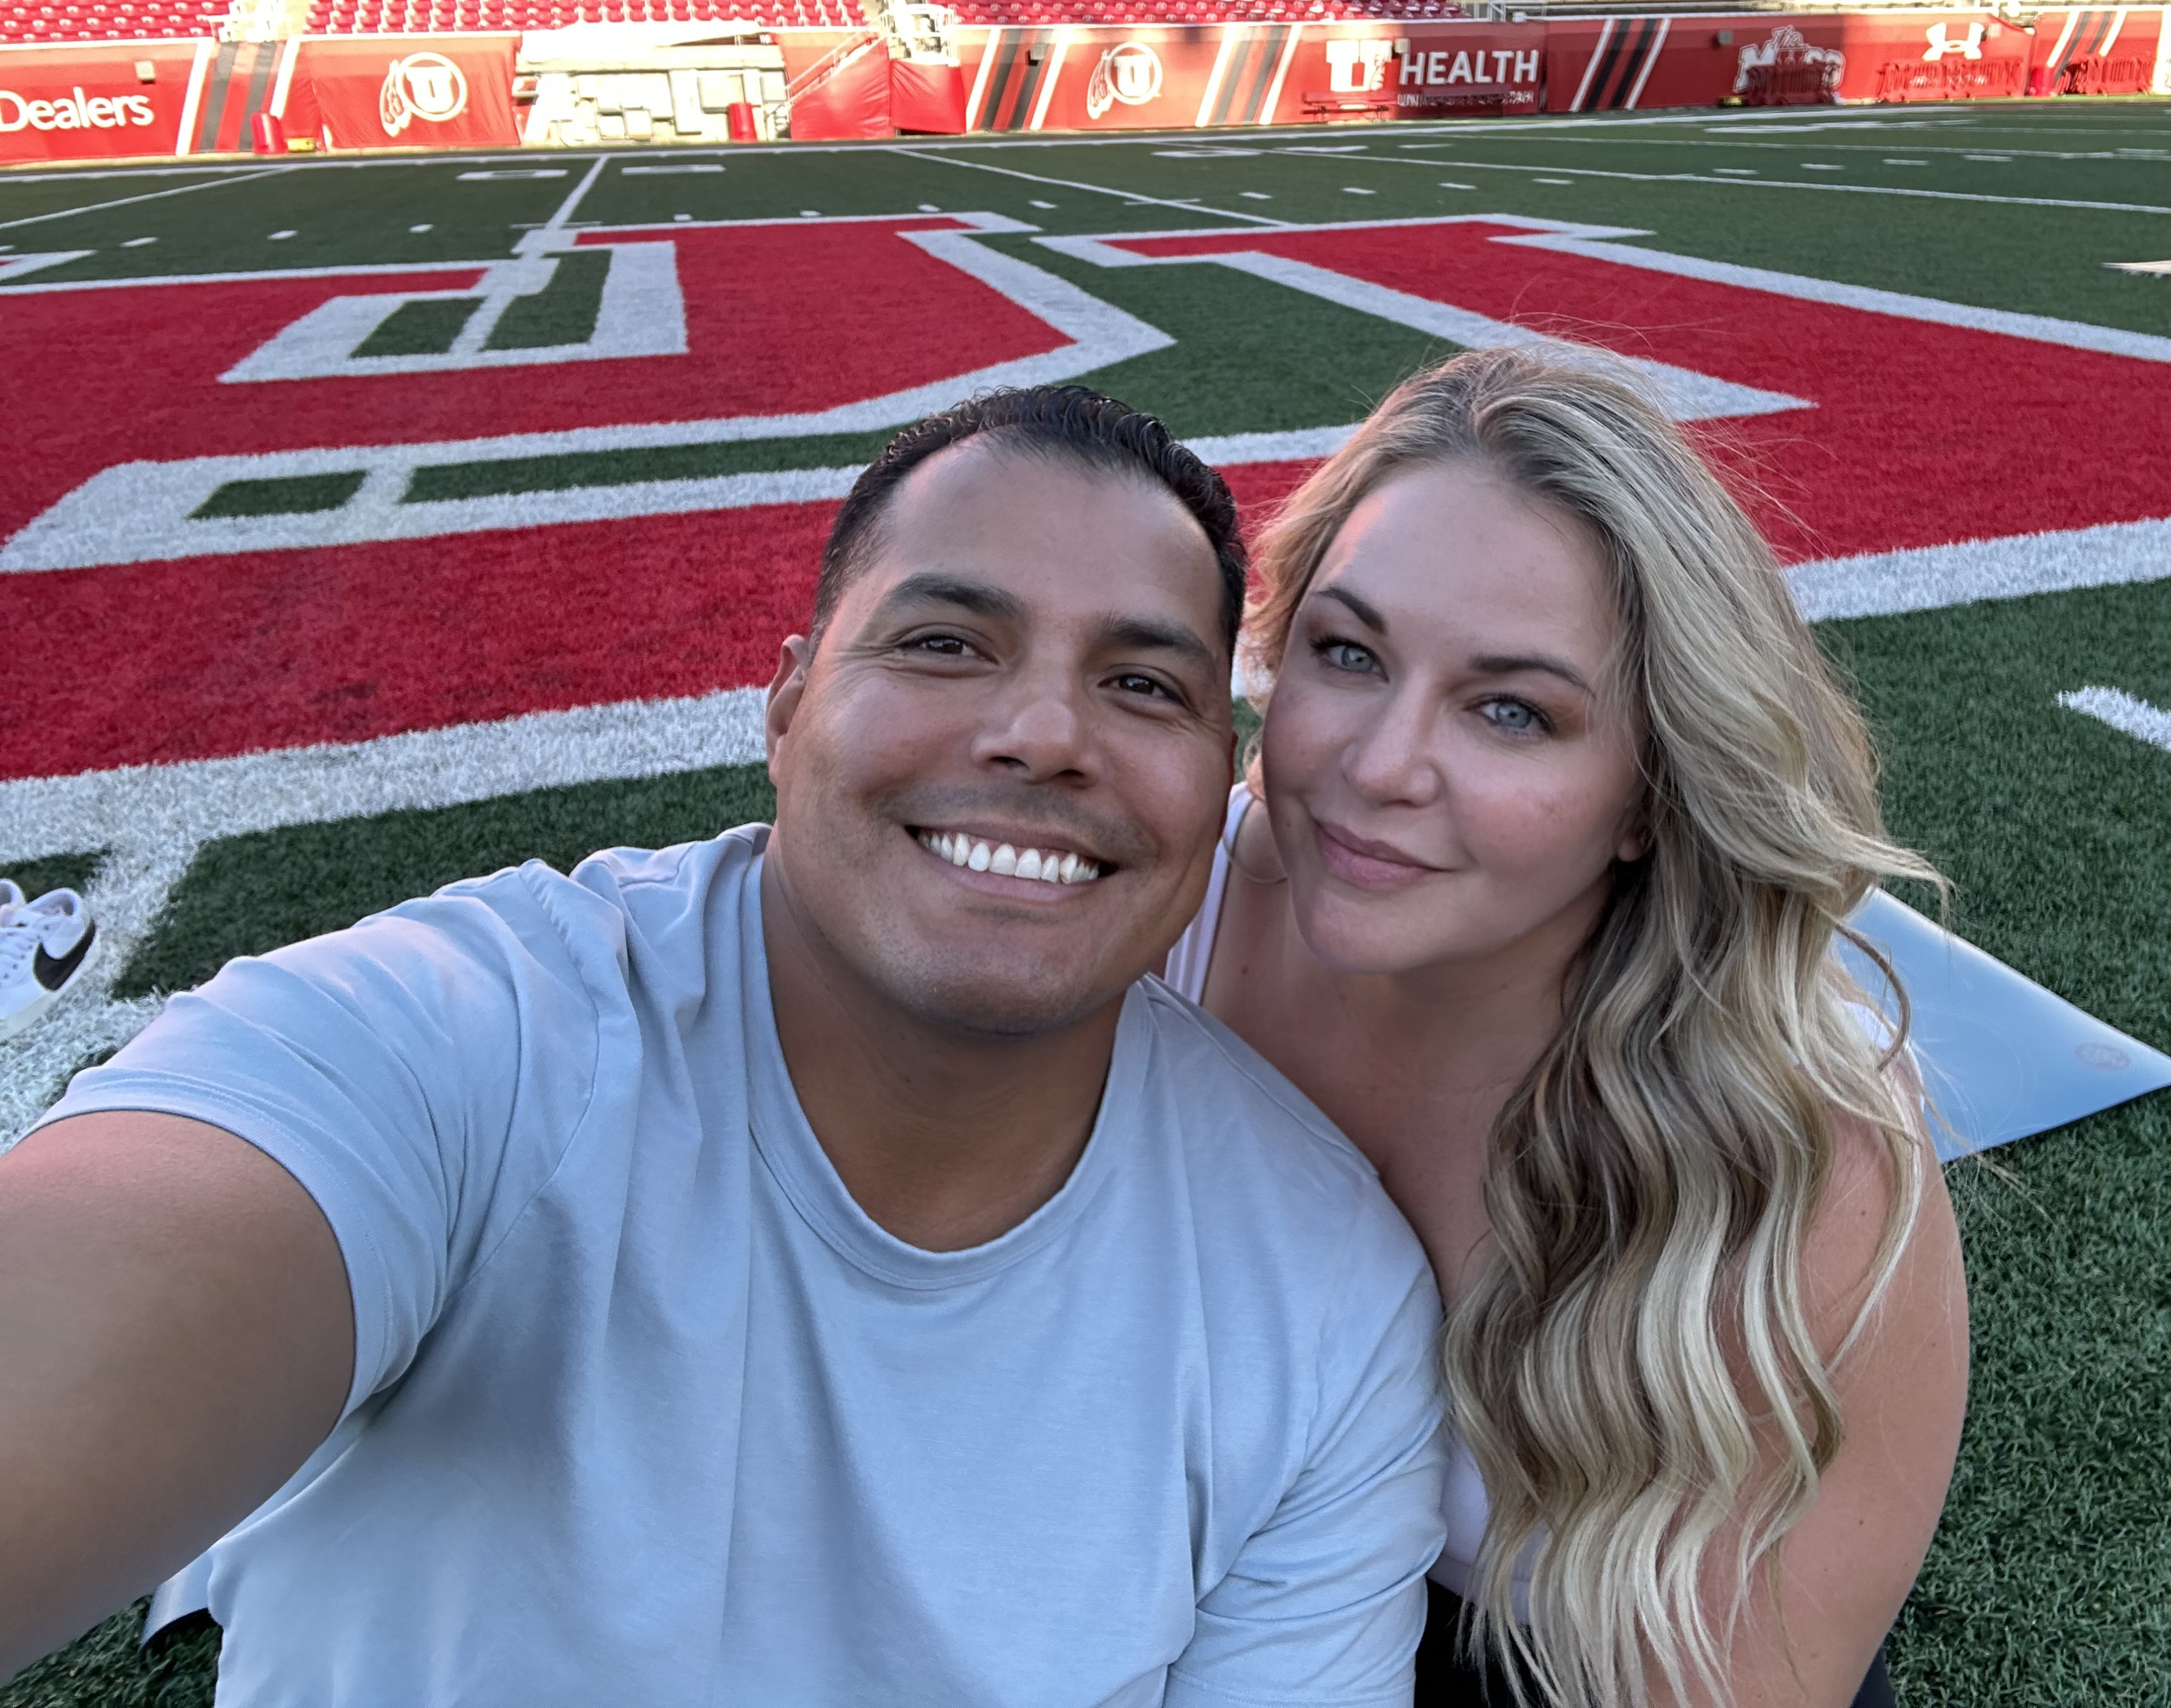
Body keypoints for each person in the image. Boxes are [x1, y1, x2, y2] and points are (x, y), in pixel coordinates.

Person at [0, 387, 1448, 1702]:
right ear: (787, 705)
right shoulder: (459, 1041)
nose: (1042, 731)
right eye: (945, 643)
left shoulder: (1325, 1291)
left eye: (1143, 684)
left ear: (1219, 779)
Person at [1164, 348, 1969, 1708]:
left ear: (1649, 794)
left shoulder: (1801, 1167)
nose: (1378, 765)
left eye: (1510, 711)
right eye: (1347, 653)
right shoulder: (1163, 921)